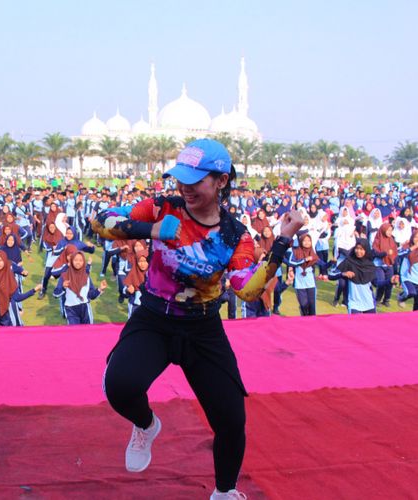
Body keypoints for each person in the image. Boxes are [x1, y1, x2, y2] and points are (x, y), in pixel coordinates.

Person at [92, 139, 302, 499]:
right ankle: (146, 425)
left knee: (232, 421)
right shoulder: (162, 207)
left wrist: (282, 241)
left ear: (221, 181)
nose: (185, 187)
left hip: (203, 327)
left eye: (195, 180)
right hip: (155, 317)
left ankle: (224, 492)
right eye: (180, 179)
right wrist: (151, 231)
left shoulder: (236, 235)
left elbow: (247, 290)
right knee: (120, 386)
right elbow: (102, 222)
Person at [53, 250, 107, 324]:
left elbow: (91, 295)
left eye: (81, 260)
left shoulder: (86, 276)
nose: (78, 262)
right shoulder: (64, 276)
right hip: (70, 310)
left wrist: (100, 289)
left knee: (88, 332)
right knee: (74, 334)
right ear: (71, 261)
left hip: (85, 308)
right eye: (75, 260)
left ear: (83, 262)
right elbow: (55, 294)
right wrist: (63, 287)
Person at [329, 239, 377, 314]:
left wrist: (389, 281)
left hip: (369, 303)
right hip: (354, 303)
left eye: (361, 249)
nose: (358, 251)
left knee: (371, 325)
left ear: (366, 250)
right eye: (357, 248)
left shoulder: (370, 265)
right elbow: (331, 275)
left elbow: (376, 283)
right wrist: (343, 274)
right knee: (354, 325)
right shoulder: (349, 262)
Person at [288, 233, 319, 316]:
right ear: (300, 241)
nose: (307, 242)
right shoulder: (295, 251)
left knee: (312, 306)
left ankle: (313, 323)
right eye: (305, 240)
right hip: (299, 282)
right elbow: (291, 262)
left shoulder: (313, 253)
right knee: (303, 305)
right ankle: (304, 321)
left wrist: (331, 263)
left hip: (310, 283)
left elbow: (321, 263)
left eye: (309, 241)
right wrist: (304, 260)